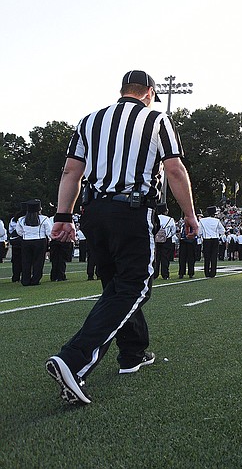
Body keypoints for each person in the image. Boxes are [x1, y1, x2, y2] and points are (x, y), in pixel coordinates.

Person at [46, 70, 198, 406]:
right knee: (134, 286)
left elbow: (72, 171)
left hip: (94, 212)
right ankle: (74, 359)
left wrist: (63, 216)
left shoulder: (90, 120)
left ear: (122, 91)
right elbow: (174, 168)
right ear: (149, 92)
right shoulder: (157, 118)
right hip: (131, 209)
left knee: (116, 285)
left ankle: (132, 353)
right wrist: (189, 213)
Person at [19, 199, 52, 286]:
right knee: (38, 261)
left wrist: (27, 234)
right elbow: (49, 231)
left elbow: (19, 231)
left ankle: (25, 280)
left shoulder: (21, 220)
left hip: (26, 241)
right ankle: (35, 280)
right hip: (40, 240)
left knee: (26, 261)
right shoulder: (44, 219)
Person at [198, 206, 225, 277]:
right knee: (214, 256)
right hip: (215, 239)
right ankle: (213, 272)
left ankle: (206, 272)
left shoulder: (202, 221)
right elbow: (222, 231)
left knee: (206, 257)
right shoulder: (217, 221)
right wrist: (216, 233)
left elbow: (199, 232)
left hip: (206, 239)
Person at [154, 204, 177, 279]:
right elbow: (173, 231)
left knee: (156, 257)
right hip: (167, 239)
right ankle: (165, 274)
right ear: (165, 211)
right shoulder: (170, 219)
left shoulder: (154, 218)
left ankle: (155, 274)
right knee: (165, 257)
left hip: (156, 240)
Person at [9, 205, 26, 282]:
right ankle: (24, 275)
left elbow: (10, 230)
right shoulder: (25, 218)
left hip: (14, 241)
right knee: (25, 259)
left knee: (16, 260)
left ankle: (15, 277)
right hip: (23, 240)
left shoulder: (14, 219)